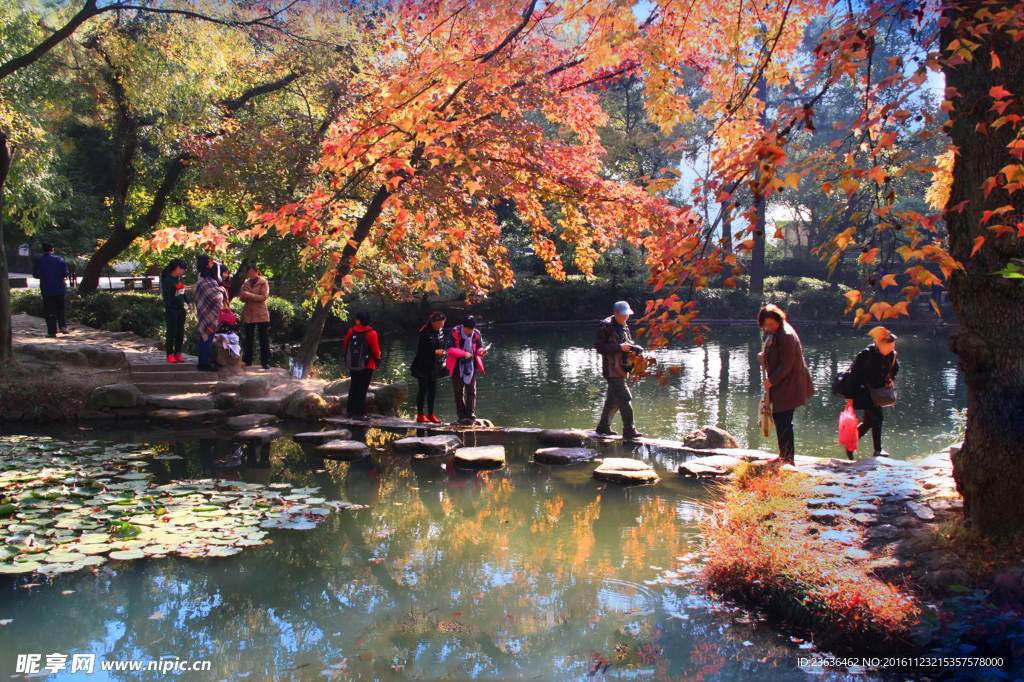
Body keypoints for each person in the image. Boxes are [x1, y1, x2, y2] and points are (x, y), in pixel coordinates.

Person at [758, 304, 815, 464]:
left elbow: (787, 365)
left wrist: (771, 381)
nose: (768, 328)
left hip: (790, 383)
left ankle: (788, 459)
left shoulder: (786, 335)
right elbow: (775, 350)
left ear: (778, 320)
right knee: (779, 418)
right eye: (766, 325)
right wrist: (765, 355)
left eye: (771, 324)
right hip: (783, 382)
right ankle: (785, 455)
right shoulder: (775, 332)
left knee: (783, 419)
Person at [844, 326, 900, 459]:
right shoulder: (866, 354)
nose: (891, 349)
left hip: (877, 393)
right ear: (880, 344)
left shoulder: (891, 355)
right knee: (877, 417)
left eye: (893, 346)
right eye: (889, 346)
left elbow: (895, 368)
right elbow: (853, 375)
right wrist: (849, 396)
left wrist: (890, 378)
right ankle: (878, 450)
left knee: (869, 421)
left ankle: (850, 444)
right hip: (862, 392)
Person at [595, 301, 645, 440]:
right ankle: (629, 430)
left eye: (627, 315)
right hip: (612, 369)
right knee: (625, 397)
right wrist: (619, 347)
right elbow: (600, 347)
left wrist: (634, 347)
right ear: (616, 313)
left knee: (614, 400)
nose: (626, 317)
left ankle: (603, 427)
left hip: (621, 368)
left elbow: (625, 342)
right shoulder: (606, 326)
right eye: (623, 315)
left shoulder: (623, 324)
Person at [445, 315, 488, 425]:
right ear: (463, 326)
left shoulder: (476, 333)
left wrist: (482, 352)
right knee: (458, 391)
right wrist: (463, 354)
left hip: (471, 365)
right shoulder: (455, 332)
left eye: (472, 329)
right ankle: (461, 416)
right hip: (456, 365)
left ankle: (471, 415)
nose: (470, 332)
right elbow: (450, 349)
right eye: (468, 329)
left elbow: (478, 348)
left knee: (471, 391)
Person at [410, 311, 448, 423]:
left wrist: (444, 353)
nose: (441, 326)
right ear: (432, 322)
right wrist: (435, 352)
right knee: (423, 389)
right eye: (439, 324)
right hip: (422, 365)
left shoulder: (441, 332)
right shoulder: (424, 332)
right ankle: (420, 414)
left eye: (442, 324)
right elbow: (420, 351)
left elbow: (443, 346)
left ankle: (431, 414)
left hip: (435, 365)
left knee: (433, 389)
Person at [343, 310, 382, 418]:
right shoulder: (371, 333)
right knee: (362, 388)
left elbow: (345, 346)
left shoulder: (351, 331)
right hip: (367, 364)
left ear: (358, 320)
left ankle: (349, 411)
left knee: (354, 386)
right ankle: (359, 413)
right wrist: (378, 356)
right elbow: (375, 351)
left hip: (353, 364)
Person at [194, 255, 225, 372]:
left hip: (203, 314)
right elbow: (216, 299)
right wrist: (221, 293)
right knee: (207, 338)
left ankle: (202, 362)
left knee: (203, 337)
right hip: (210, 315)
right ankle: (205, 363)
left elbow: (197, 297)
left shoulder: (201, 282)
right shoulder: (210, 282)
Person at [32, 242, 69, 337]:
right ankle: (63, 326)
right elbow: (65, 273)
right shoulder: (59, 259)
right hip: (59, 288)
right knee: (61, 307)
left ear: (43, 250)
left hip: (46, 288)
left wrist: (45, 276)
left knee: (49, 310)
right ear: (52, 249)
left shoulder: (39, 260)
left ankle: (52, 332)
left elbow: (35, 275)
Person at [239, 263, 271, 370]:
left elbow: (264, 296)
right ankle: (247, 360)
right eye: (248, 273)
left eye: (252, 272)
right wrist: (243, 296)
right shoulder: (246, 283)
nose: (250, 274)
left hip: (261, 313)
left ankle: (266, 362)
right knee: (249, 337)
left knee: (263, 337)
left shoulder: (263, 282)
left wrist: (250, 295)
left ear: (257, 272)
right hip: (249, 313)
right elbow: (242, 298)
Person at [160, 258, 189, 363]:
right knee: (172, 332)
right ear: (177, 268)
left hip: (180, 310)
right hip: (172, 310)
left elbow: (182, 292)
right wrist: (168, 309)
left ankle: (178, 353)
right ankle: (169, 354)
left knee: (180, 333)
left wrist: (188, 302)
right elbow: (167, 297)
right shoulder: (168, 281)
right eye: (183, 269)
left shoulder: (178, 280)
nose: (184, 271)